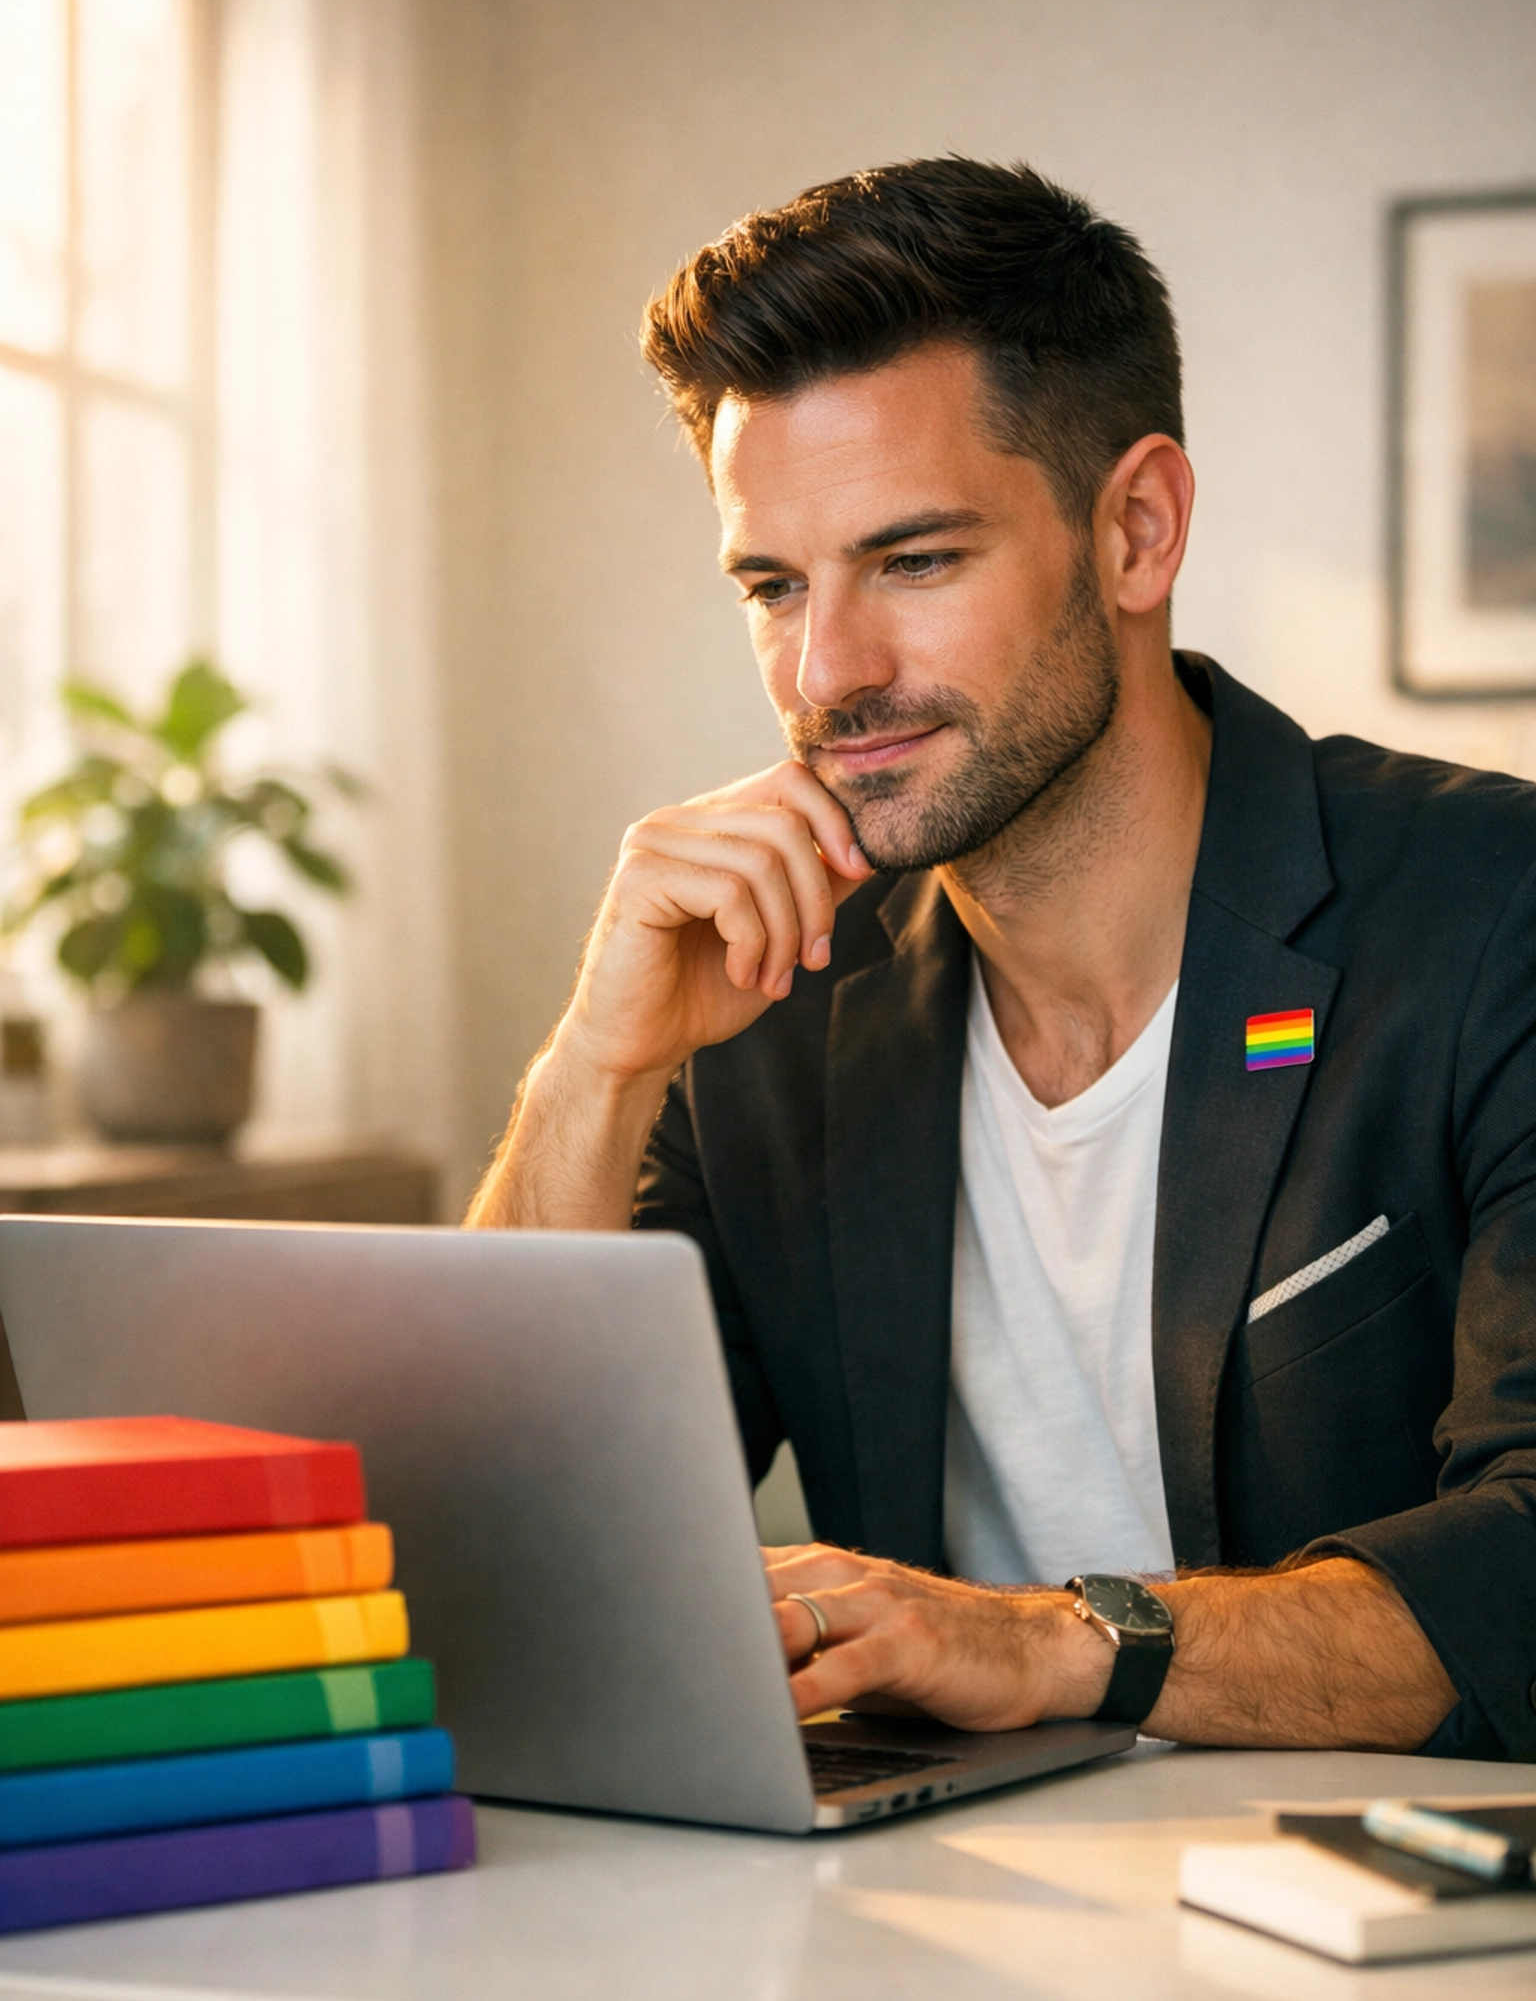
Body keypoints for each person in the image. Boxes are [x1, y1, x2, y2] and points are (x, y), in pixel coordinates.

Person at [468, 156, 1536, 1765]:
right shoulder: (768, 989)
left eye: (914, 561)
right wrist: (596, 1068)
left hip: (1383, 1885)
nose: (827, 674)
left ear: (1137, 531)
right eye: (774, 586)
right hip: (926, 1885)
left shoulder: (1491, 911)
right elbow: (512, 1554)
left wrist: (1043, 1642)